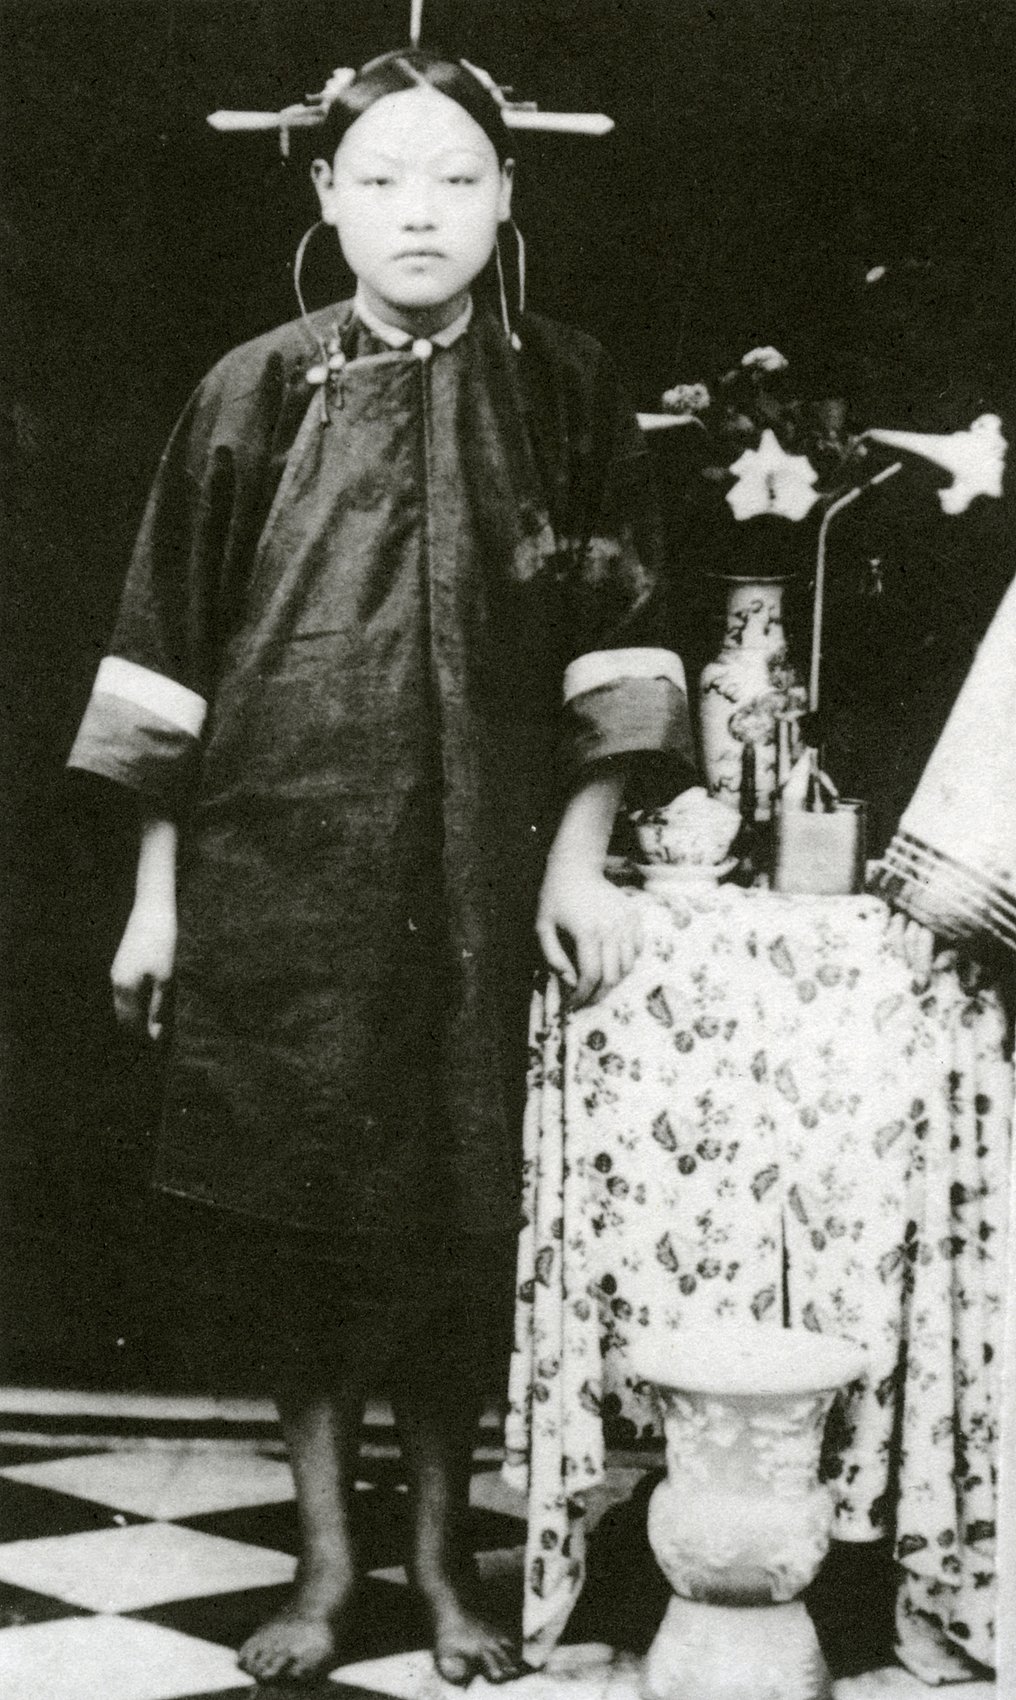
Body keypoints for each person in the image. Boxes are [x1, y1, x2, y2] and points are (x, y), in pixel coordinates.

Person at [68, 48, 696, 1687]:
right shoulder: (251, 390)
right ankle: (329, 1570)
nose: (420, 210)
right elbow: (162, 667)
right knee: (298, 1230)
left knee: (448, 1229)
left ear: (507, 199)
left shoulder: (566, 392)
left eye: (458, 178)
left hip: (481, 893)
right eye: (385, 178)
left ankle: (440, 1560)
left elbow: (614, 660)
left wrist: (578, 867)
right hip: (284, 884)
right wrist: (159, 894)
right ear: (328, 197)